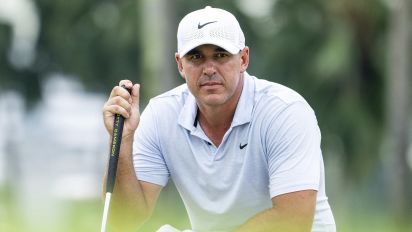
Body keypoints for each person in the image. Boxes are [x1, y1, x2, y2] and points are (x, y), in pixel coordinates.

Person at [102, 6, 336, 232]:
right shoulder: (161, 114)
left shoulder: (284, 111)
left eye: (221, 55)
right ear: (180, 65)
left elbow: (293, 221)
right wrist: (122, 142)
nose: (209, 68)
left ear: (243, 59)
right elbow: (124, 221)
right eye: (196, 57)